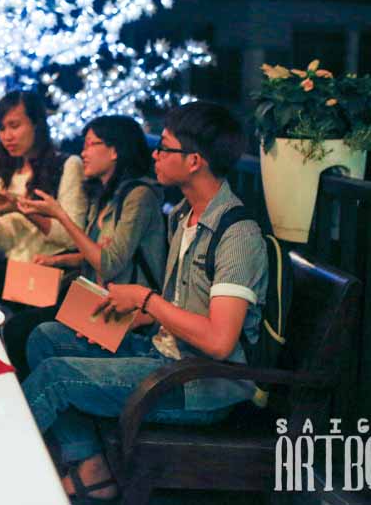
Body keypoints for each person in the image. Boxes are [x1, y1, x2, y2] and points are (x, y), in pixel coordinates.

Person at [22, 102, 267, 503]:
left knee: (55, 376)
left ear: (194, 161)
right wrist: (132, 316)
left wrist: (145, 300)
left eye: (164, 148)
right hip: (162, 354)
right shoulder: (184, 217)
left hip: (197, 383)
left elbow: (220, 342)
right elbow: (180, 305)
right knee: (46, 337)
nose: (154, 155)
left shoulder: (237, 235)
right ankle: (92, 465)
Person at [3, 115, 166, 376]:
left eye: (91, 144)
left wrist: (61, 215)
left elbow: (109, 263)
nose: (84, 153)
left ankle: (28, 395)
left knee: (22, 330)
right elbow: (94, 251)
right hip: (93, 298)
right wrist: (58, 261)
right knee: (18, 323)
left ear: (114, 151)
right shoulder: (105, 195)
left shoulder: (139, 196)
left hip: (125, 313)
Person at [0, 90, 86, 305]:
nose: (7, 136)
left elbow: (70, 237)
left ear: (37, 124)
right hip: (16, 268)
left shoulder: (68, 165)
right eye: (1, 129)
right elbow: (7, 242)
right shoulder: (9, 171)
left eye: (14, 126)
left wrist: (21, 208)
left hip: (49, 273)